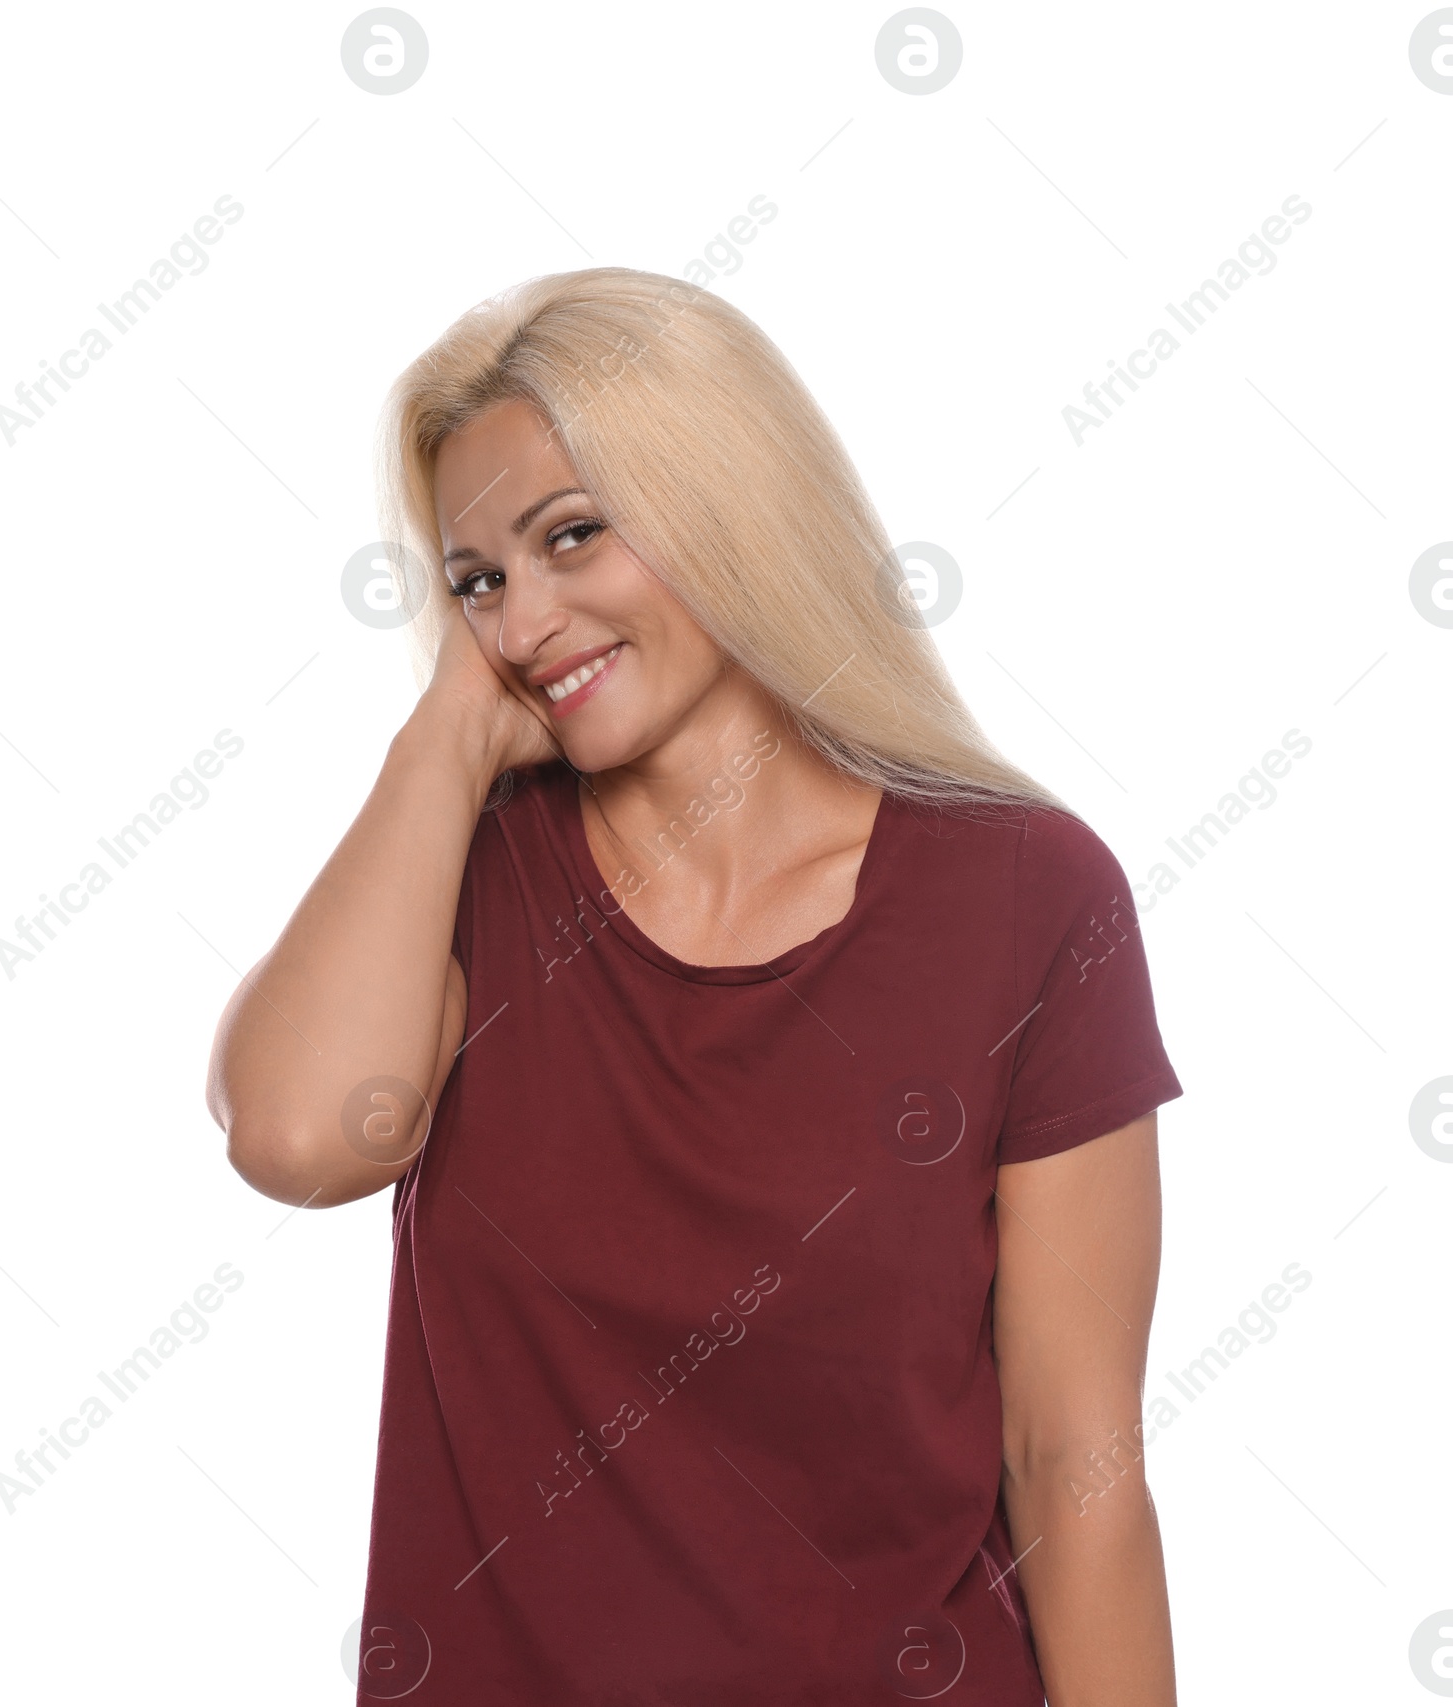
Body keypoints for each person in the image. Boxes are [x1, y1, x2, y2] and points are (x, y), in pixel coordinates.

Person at [206, 268, 1185, 1706]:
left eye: (572, 537)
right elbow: (295, 1138)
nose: (522, 624)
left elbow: (1072, 1467)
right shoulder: (463, 878)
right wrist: (441, 740)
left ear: (729, 504)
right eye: (477, 579)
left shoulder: (1028, 896)